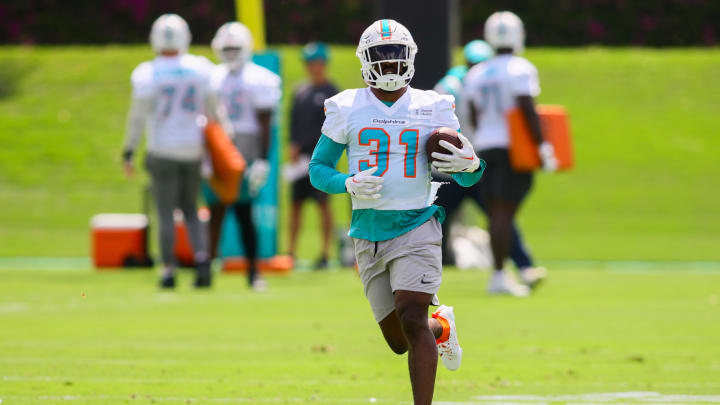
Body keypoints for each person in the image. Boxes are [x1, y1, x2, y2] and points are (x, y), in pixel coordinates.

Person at [309, 19, 485, 405]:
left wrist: (472, 165)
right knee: (397, 340)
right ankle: (439, 329)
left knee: (410, 314)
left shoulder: (434, 105)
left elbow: (470, 180)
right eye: (381, 58)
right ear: (366, 61)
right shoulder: (347, 106)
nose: (389, 66)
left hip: (417, 223)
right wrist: (347, 182)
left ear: (409, 59)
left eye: (395, 57)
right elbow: (317, 170)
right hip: (367, 230)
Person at [434, 41, 546, 284]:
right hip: (451, 170)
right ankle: (427, 270)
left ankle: (524, 266)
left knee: (499, 215)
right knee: (436, 221)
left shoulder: (474, 80)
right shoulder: (452, 85)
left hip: (476, 163)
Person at [122, 14, 219, 289]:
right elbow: (214, 111)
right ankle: (202, 261)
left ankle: (168, 269)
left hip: (162, 148)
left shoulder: (147, 72)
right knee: (191, 209)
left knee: (165, 212)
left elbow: (137, 117)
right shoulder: (200, 68)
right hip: (192, 149)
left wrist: (129, 150)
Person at [464, 11, 557, 297]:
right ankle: (500, 275)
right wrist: (542, 145)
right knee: (503, 212)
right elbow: (527, 107)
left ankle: (501, 273)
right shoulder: (520, 68)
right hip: (510, 147)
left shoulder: (477, 72)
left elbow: (472, 113)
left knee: (496, 211)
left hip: (485, 146)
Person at [203, 22, 281, 291]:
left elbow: (265, 122)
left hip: (245, 148)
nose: (232, 52)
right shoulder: (211, 76)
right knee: (214, 212)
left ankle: (253, 271)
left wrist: (262, 159)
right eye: (227, 48)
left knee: (245, 213)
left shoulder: (259, 78)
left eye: (236, 47)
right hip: (217, 147)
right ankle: (205, 270)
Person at [288, 42, 339, 268]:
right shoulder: (300, 92)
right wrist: (293, 144)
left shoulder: (332, 93)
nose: (312, 67)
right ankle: (290, 251)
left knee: (323, 205)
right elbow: (294, 122)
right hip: (300, 159)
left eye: (316, 63)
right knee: (296, 203)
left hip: (320, 158)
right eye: (309, 63)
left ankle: (326, 252)